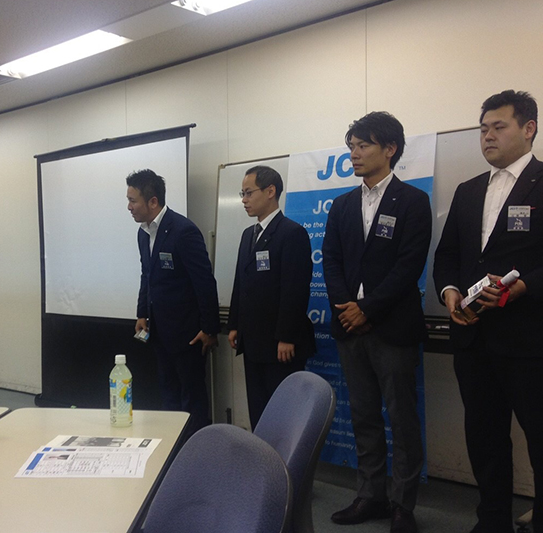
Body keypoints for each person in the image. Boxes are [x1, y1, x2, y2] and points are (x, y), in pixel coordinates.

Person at [433, 90, 543, 533]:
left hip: (529, 340)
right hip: (473, 336)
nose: (488, 136)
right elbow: (448, 255)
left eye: (499, 127)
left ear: (528, 129)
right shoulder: (468, 190)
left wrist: (523, 287)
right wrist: (449, 292)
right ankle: (492, 520)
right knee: (484, 436)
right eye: (483, 129)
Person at [323, 112, 431, 533]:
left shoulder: (413, 201)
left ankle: (403, 504)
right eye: (351, 146)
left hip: (392, 328)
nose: (354, 154)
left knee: (402, 419)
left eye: (363, 145)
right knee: (364, 415)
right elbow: (331, 260)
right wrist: (346, 307)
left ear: (389, 149)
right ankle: (370, 495)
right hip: (349, 328)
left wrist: (367, 309)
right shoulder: (342, 205)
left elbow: (409, 266)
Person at [127, 169, 220, 434]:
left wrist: (210, 329)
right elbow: (147, 276)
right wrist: (142, 313)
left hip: (188, 335)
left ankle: (196, 450)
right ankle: (175, 447)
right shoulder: (143, 233)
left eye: (133, 200)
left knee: (192, 399)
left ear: (153, 201)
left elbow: (204, 282)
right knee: (169, 396)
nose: (129, 207)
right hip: (160, 332)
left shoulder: (183, 231)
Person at [227, 165, 315, 429]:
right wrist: (234, 324)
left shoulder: (291, 233)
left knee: (283, 417)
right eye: (242, 194)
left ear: (270, 191)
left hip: (280, 345)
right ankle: (261, 454)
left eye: (248, 193)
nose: (244, 200)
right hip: (252, 340)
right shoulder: (248, 234)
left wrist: (286, 336)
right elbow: (240, 282)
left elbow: (295, 289)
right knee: (259, 412)